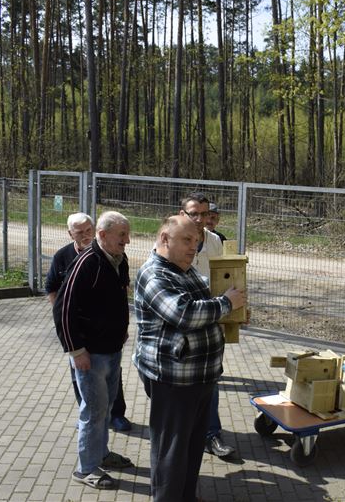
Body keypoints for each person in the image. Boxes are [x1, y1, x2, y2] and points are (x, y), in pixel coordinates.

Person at [133, 215, 246, 501]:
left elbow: (208, 299)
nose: (193, 247)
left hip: (200, 377)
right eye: (186, 240)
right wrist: (226, 303)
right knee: (171, 452)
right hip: (174, 381)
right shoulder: (154, 274)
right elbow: (183, 314)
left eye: (196, 241)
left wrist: (235, 311)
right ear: (164, 239)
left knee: (193, 446)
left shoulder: (186, 270)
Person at [53, 211, 134, 490]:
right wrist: (76, 351)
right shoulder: (86, 262)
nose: (127, 240)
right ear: (102, 235)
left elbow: (120, 297)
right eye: (121, 235)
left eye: (127, 234)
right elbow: (62, 308)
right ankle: (86, 468)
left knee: (107, 407)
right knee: (93, 412)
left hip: (112, 349)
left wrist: (122, 328)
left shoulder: (120, 259)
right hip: (90, 354)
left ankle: (102, 454)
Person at [179, 193, 235, 459]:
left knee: (211, 382)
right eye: (194, 214)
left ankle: (211, 435)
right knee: (181, 387)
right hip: (182, 327)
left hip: (212, 323)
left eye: (204, 213)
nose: (200, 219)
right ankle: (182, 436)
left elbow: (226, 279)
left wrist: (236, 311)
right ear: (183, 214)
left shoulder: (214, 241)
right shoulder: (172, 241)